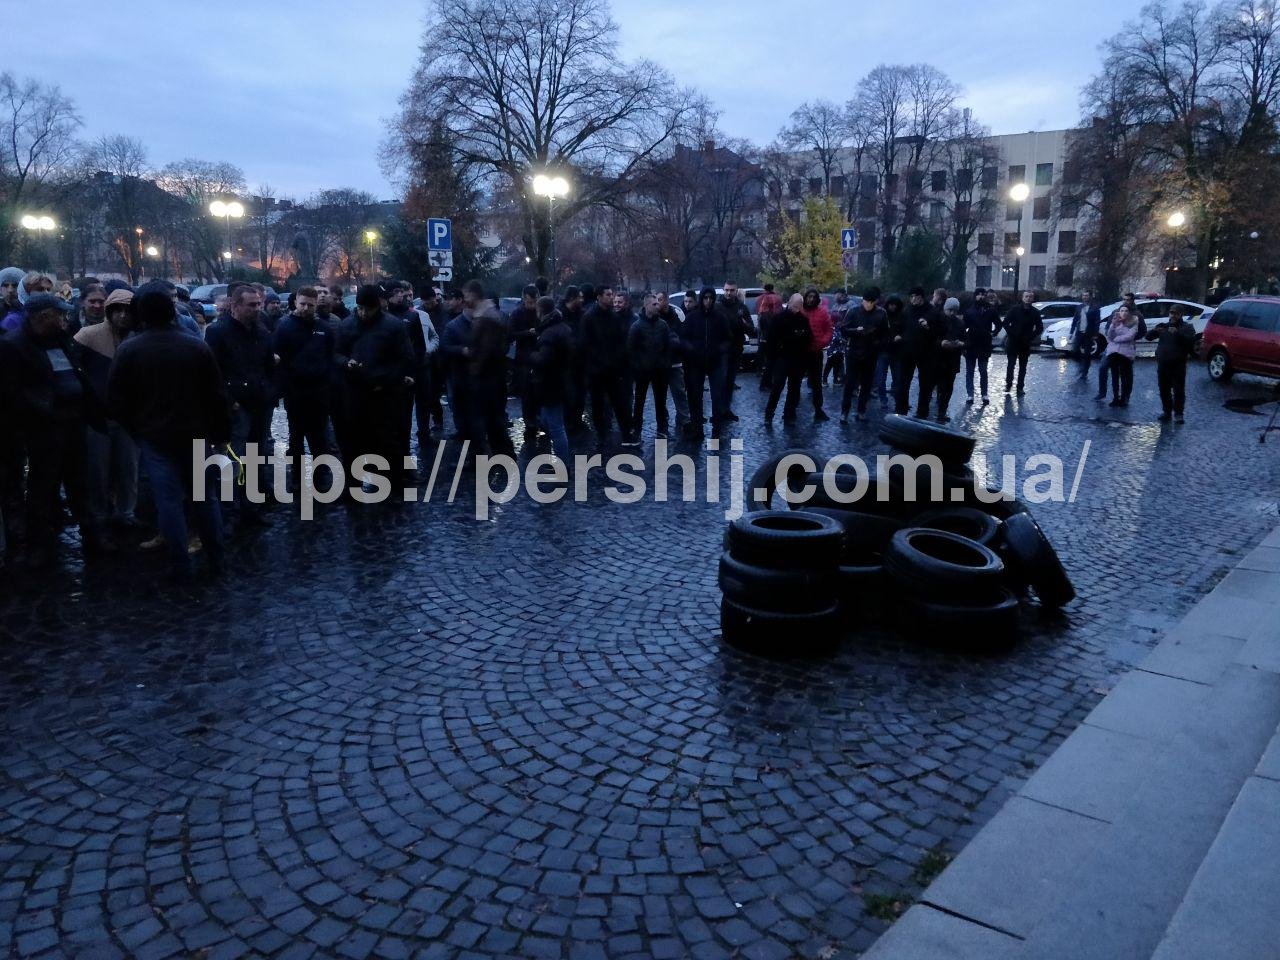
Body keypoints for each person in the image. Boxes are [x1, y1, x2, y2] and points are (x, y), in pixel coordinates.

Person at [108, 285, 230, 580]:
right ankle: (217, 559)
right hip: (195, 435)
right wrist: (220, 436)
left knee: (169, 503)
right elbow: (216, 395)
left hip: (155, 438)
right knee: (205, 499)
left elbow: (116, 399)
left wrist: (137, 430)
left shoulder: (129, 349)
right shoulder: (195, 345)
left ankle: (180, 565)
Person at [0, 292, 115, 565]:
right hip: (43, 427)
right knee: (43, 485)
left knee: (80, 482)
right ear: (43, 316)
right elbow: (11, 392)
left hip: (73, 421)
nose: (65, 318)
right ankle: (40, 544)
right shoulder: (13, 346)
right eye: (58, 313)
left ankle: (92, 534)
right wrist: (39, 413)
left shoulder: (61, 340)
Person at [205, 285, 276, 525]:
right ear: (235, 306)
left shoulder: (262, 331)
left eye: (258, 304)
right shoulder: (218, 332)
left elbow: (268, 365)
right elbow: (212, 372)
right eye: (251, 305)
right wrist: (230, 401)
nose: (257, 309)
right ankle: (231, 507)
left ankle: (249, 506)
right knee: (237, 457)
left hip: (259, 402)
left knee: (256, 455)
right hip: (236, 405)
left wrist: (271, 392)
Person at [335, 284, 415, 482]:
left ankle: (393, 481)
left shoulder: (393, 325)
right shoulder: (347, 324)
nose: (363, 313)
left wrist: (387, 381)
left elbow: (405, 358)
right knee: (352, 439)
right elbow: (336, 352)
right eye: (360, 308)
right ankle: (352, 483)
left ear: (377, 306)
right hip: (355, 391)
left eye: (368, 309)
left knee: (387, 438)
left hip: (384, 392)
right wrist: (346, 363)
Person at [74, 288, 139, 527]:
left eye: (127, 311)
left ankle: (126, 512)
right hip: (96, 416)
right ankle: (99, 516)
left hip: (128, 417)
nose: (122, 316)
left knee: (128, 468)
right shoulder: (87, 336)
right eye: (117, 310)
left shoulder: (137, 339)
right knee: (97, 471)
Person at [273, 286, 334, 491]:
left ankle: (320, 474)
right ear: (295, 302)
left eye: (310, 305)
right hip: (295, 390)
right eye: (303, 304)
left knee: (319, 435)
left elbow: (330, 355)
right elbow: (278, 358)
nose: (306, 308)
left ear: (316, 305)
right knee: (296, 435)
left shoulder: (324, 328)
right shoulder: (284, 327)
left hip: (320, 390)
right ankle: (298, 476)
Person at [580, 285, 634, 447]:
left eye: (611, 294)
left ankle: (625, 433)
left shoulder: (614, 317)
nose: (611, 297)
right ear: (599, 297)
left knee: (619, 403)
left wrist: (619, 363)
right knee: (597, 405)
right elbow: (585, 345)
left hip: (613, 369)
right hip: (596, 371)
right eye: (608, 294)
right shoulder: (588, 318)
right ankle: (601, 434)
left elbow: (621, 342)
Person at [682, 287, 731, 438]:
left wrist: (719, 349)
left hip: (715, 362)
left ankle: (717, 427)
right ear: (701, 299)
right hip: (696, 363)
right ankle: (697, 428)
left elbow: (728, 338)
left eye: (710, 298)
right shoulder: (692, 317)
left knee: (717, 396)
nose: (708, 301)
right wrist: (692, 349)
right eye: (705, 298)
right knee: (695, 396)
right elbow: (683, 338)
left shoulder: (720, 318)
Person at [530, 296, 573, 462]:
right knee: (549, 422)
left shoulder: (549, 333)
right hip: (560, 382)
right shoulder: (562, 328)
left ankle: (563, 465)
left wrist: (530, 355)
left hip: (550, 385)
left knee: (556, 428)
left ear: (541, 310)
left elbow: (543, 359)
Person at [628, 293, 673, 441]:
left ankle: (662, 429)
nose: (657, 306)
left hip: (660, 370)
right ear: (646, 306)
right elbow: (631, 350)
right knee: (639, 402)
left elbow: (668, 346)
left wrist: (666, 364)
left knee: (661, 402)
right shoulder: (637, 326)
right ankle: (637, 429)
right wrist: (637, 367)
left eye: (658, 303)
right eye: (654, 304)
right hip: (643, 371)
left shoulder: (663, 325)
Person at [764, 294, 813, 424]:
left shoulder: (803, 320)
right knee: (777, 387)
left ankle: (789, 414)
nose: (796, 309)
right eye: (795, 306)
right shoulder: (778, 318)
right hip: (782, 358)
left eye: (799, 307)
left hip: (797, 359)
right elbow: (771, 339)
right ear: (789, 303)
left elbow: (808, 337)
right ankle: (769, 414)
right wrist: (773, 357)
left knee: (794, 389)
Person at [840, 288, 887, 422]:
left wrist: (878, 342)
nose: (867, 305)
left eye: (870, 302)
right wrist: (855, 331)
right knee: (849, 383)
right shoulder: (853, 311)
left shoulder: (881, 313)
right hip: (853, 352)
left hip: (870, 353)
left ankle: (861, 410)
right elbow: (843, 329)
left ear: (875, 302)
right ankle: (844, 411)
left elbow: (885, 333)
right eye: (866, 302)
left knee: (866, 384)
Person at [918, 297, 966, 422]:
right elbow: (928, 338)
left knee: (946, 390)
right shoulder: (936, 320)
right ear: (945, 309)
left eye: (955, 311)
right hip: (935, 360)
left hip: (951, 362)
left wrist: (960, 344)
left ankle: (941, 413)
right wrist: (940, 343)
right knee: (928, 387)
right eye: (950, 310)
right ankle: (922, 412)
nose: (952, 313)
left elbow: (965, 340)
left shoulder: (960, 323)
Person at [895, 287, 936, 415]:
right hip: (907, 350)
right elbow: (899, 326)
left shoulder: (931, 311)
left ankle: (922, 411)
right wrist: (897, 335)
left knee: (925, 382)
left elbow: (938, 329)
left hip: (925, 351)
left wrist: (928, 327)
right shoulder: (907, 310)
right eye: (911, 296)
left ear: (921, 297)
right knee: (903, 381)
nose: (913, 299)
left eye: (916, 296)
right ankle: (901, 408)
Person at [508, 284, 542, 439]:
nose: (532, 305)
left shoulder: (540, 311)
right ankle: (530, 422)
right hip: (523, 358)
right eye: (530, 302)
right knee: (527, 392)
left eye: (535, 302)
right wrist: (528, 333)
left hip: (539, 356)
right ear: (524, 299)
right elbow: (511, 334)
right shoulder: (516, 313)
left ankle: (539, 419)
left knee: (539, 390)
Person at [655, 291, 690, 435]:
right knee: (660, 396)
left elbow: (683, 334)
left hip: (675, 360)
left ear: (667, 300)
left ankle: (684, 418)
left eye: (661, 299)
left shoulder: (677, 314)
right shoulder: (653, 316)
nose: (659, 303)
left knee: (679, 392)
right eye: (657, 300)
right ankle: (663, 421)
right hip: (660, 363)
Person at [440, 295, 474, 442]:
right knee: (457, 402)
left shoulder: (482, 323)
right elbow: (445, 347)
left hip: (476, 371)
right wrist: (462, 350)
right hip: (458, 371)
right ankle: (462, 430)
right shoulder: (453, 325)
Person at [1155, 305, 1196, 423]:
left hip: (1178, 363)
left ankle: (1179, 413)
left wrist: (1177, 333)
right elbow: (1148, 337)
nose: (1173, 315)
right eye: (1171, 313)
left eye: (1176, 313)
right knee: (1164, 389)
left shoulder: (1187, 327)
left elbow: (1190, 343)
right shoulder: (1164, 326)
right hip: (1163, 362)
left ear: (1181, 315)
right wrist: (1155, 330)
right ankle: (1166, 411)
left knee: (1178, 390)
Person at [720, 281, 753, 420]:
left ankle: (726, 409)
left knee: (730, 381)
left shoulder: (742, 307)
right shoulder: (717, 306)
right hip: (720, 350)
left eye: (731, 290)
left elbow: (751, 328)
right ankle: (718, 410)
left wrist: (744, 323)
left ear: (736, 291)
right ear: (723, 290)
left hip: (736, 349)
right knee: (720, 381)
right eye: (727, 290)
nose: (728, 293)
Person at [962, 289, 1001, 404]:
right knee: (970, 371)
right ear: (975, 296)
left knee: (983, 370)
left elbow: (999, 324)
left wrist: (993, 333)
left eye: (983, 295)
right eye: (979, 295)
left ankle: (984, 394)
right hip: (971, 344)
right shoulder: (969, 311)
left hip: (984, 344)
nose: (981, 297)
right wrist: (964, 343)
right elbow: (963, 327)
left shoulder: (991, 310)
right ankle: (970, 394)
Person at [1002, 290, 1043, 395]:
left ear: (1033, 299)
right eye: (1026, 296)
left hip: (1025, 343)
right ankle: (1008, 384)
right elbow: (1005, 323)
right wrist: (1012, 333)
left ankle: (1020, 387)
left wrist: (1030, 337)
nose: (1028, 298)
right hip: (1013, 342)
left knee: (1023, 367)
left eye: (1030, 297)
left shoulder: (1035, 312)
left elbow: (1039, 328)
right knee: (1011, 365)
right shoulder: (1014, 310)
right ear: (1022, 298)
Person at [800, 289, 832, 421]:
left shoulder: (823, 313)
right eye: (809, 297)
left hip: (816, 352)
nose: (811, 299)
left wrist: (823, 342)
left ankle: (818, 409)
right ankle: (790, 410)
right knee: (795, 381)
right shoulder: (800, 312)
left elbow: (829, 329)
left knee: (816, 383)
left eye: (813, 297)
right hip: (800, 352)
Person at [559, 285, 587, 431]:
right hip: (567, 361)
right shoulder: (560, 315)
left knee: (580, 393)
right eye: (579, 297)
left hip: (580, 361)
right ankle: (569, 421)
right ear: (572, 298)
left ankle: (576, 420)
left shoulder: (581, 314)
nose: (582, 300)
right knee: (570, 393)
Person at [1104, 304, 1139, 407]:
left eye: (1126, 311)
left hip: (1126, 353)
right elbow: (1109, 335)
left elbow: (1129, 336)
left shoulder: (1134, 322)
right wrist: (1113, 325)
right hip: (1113, 352)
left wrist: (1116, 338)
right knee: (1114, 376)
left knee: (1125, 377)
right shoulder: (1115, 321)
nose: (1123, 313)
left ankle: (1123, 398)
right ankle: (1115, 397)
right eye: (1121, 310)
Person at [755, 282, 783, 392]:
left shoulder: (761, 298)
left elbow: (761, 315)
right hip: (774, 333)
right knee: (772, 360)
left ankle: (763, 380)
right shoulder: (777, 298)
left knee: (766, 358)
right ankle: (767, 383)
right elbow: (779, 314)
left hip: (765, 333)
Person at [877, 295, 905, 405]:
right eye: (891, 304)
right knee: (880, 379)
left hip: (897, 352)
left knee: (898, 379)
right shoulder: (882, 315)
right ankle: (883, 399)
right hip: (884, 350)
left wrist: (900, 337)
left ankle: (898, 400)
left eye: (895, 305)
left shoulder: (902, 317)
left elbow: (906, 331)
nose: (893, 307)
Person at [1069, 292, 1101, 381]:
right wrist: (1071, 332)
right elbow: (1075, 319)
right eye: (1083, 295)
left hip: (1089, 333)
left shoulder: (1095, 308)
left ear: (1090, 297)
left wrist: (1095, 334)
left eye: (1086, 295)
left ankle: (1085, 372)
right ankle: (1080, 364)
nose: (1084, 297)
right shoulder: (1079, 307)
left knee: (1087, 353)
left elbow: (1097, 321)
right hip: (1079, 332)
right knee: (1075, 350)